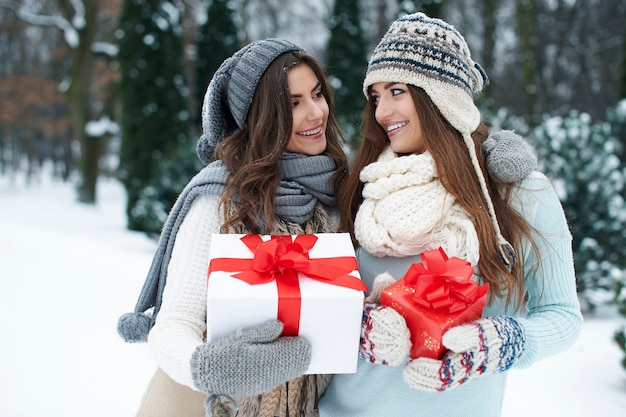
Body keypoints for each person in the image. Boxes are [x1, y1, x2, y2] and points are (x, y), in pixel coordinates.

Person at [319, 12, 583, 417]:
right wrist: (359, 325)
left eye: (397, 91)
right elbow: (316, 304)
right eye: (375, 96)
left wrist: (505, 343)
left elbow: (562, 317)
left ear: (440, 97)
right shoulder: (364, 187)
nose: (381, 111)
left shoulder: (517, 195)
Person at [117, 38, 348, 417]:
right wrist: (207, 367)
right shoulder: (221, 198)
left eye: (317, 94)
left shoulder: (337, 194)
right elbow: (174, 324)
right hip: (202, 403)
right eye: (293, 103)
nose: (315, 112)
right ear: (261, 117)